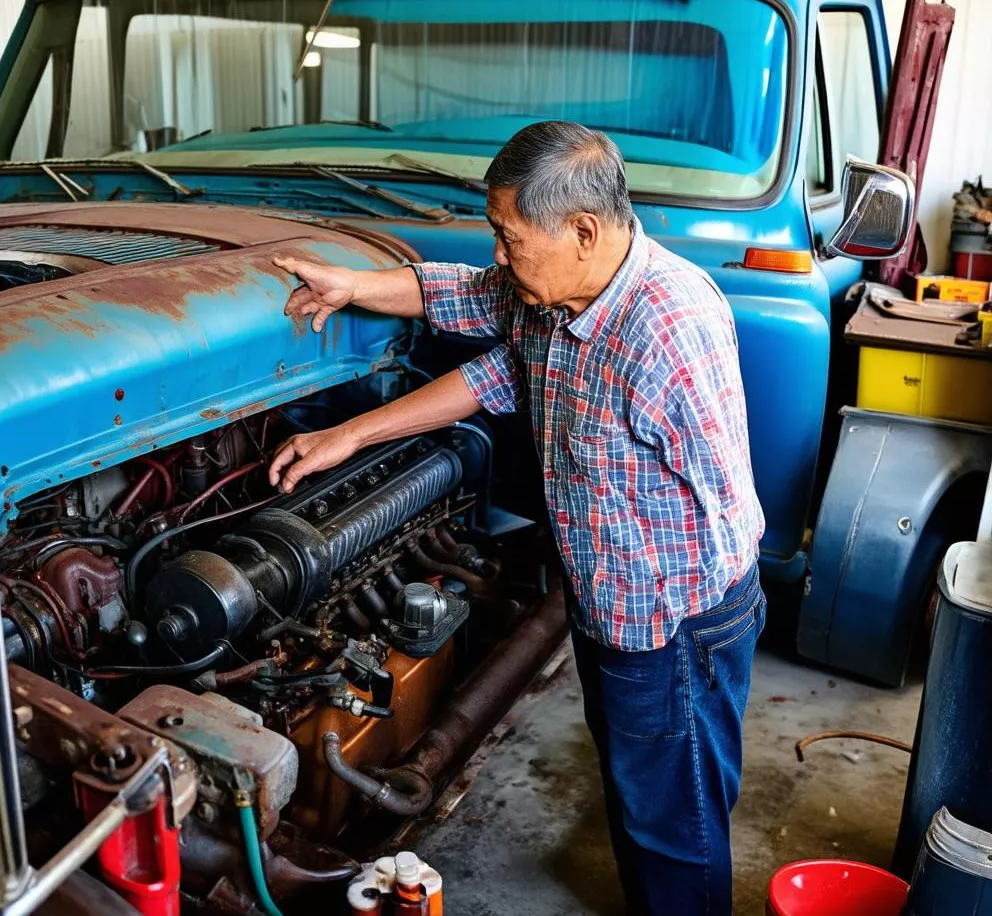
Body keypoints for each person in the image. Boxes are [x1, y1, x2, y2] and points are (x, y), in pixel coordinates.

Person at [270, 120, 766, 916]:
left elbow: (724, 512)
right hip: (611, 604)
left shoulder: (668, 331)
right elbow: (468, 306)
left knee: (678, 823)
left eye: (508, 236)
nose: (499, 255)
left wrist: (679, 649)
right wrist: (351, 357)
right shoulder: (558, 291)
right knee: (640, 794)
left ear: (582, 230)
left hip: (675, 620)